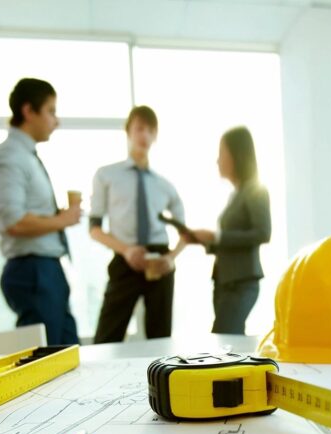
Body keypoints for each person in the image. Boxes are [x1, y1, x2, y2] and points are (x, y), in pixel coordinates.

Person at [0, 78, 82, 345]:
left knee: (68, 356)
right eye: (50, 111)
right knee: (46, 363)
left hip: (46, 270)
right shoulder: (10, 156)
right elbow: (13, 222)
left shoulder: (25, 156)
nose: (56, 120)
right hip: (33, 272)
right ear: (28, 111)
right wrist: (62, 220)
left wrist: (57, 219)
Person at [89, 106, 187, 343]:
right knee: (106, 338)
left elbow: (186, 233)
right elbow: (94, 229)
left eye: (150, 130)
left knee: (161, 338)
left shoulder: (164, 185)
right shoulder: (106, 175)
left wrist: (171, 258)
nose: (144, 135)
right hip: (125, 259)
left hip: (160, 261)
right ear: (129, 132)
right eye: (139, 128)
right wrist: (127, 251)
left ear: (155, 136)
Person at [187, 126, 272, 335]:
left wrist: (217, 236)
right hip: (225, 281)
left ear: (237, 154)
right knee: (230, 343)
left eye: (221, 153)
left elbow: (263, 233)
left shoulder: (255, 189)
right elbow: (230, 241)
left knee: (223, 339)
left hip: (241, 282)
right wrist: (204, 240)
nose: (217, 160)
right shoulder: (236, 194)